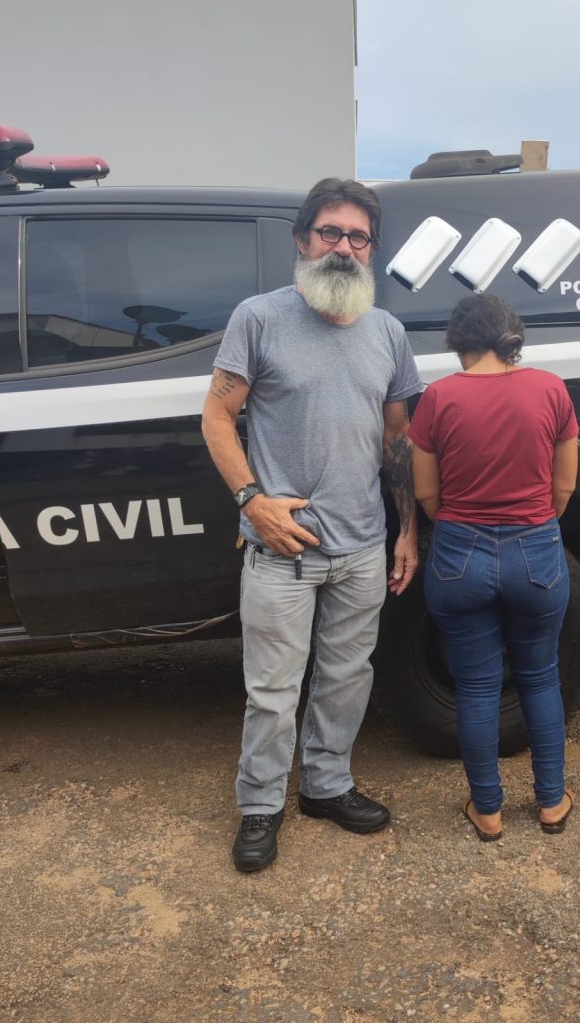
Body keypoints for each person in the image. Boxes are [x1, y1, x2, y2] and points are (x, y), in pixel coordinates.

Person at [202, 178, 421, 872]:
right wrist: (251, 502)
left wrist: (408, 529)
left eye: (358, 237)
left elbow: (397, 439)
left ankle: (326, 786)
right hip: (281, 548)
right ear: (303, 241)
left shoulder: (387, 332)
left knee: (346, 677)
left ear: (371, 250)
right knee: (272, 691)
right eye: (330, 232)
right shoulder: (259, 318)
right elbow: (216, 417)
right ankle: (260, 805)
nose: (343, 247)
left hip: (363, 546)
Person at [408, 294, 578, 841]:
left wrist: (462, 526)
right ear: (512, 336)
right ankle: (551, 802)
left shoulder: (438, 397)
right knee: (540, 676)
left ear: (458, 340)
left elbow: (426, 494)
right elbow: (564, 486)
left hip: (461, 554)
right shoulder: (550, 389)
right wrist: (533, 527)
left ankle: (487, 810)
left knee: (476, 686)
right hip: (536, 550)